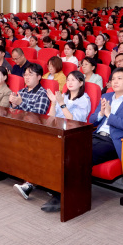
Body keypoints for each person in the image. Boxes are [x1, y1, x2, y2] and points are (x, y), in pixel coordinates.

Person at [36, 70, 92, 212]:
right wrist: (54, 103)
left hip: (74, 135)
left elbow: (74, 120)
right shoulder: (64, 96)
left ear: (81, 83)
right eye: (68, 80)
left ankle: (58, 193)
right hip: (58, 131)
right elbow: (51, 117)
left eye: (73, 80)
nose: (69, 82)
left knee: (56, 154)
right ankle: (39, 182)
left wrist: (61, 104)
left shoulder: (84, 99)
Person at [11, 63, 52, 202]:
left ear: (39, 77)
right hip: (19, 127)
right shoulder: (21, 91)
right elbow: (14, 113)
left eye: (30, 74)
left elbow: (38, 114)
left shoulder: (42, 93)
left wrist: (20, 103)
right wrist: (13, 105)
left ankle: (29, 183)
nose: (27, 77)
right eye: (25, 74)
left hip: (35, 130)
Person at [89, 68, 123, 166]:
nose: (115, 82)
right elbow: (91, 121)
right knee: (69, 147)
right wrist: (101, 113)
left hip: (114, 141)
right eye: (113, 79)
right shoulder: (106, 96)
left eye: (119, 78)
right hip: (96, 136)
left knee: (86, 153)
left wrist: (109, 115)